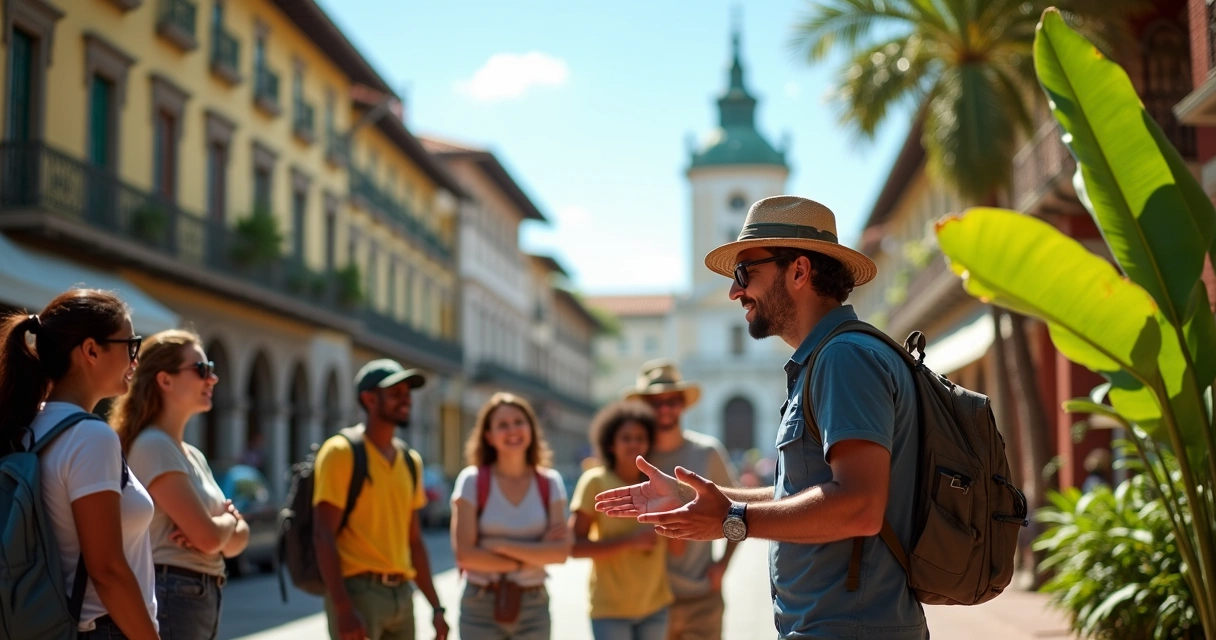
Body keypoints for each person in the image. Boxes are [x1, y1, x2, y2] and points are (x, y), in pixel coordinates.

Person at [596, 196, 927, 639]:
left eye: (745, 273)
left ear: (799, 271)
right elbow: (805, 494)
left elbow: (860, 507)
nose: (735, 291)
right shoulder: (827, 359)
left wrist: (732, 520)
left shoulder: (844, 359)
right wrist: (692, 495)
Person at [0, 289, 159, 639]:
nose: (136, 358)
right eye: (131, 344)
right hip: (102, 629)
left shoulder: (28, 427)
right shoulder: (90, 437)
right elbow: (107, 571)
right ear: (90, 350)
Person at [113, 329, 248, 639]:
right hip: (175, 593)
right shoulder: (153, 445)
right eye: (202, 369)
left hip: (195, 593)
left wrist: (218, 530)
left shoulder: (192, 454)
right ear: (165, 380)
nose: (212, 379)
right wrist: (229, 521)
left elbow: (237, 541)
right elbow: (212, 539)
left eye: (212, 369)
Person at [312, 359, 448, 640]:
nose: (406, 400)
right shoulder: (340, 452)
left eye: (408, 393)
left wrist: (436, 607)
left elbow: (414, 541)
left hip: (402, 595)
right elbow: (322, 534)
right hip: (359, 593)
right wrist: (342, 607)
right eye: (395, 393)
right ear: (369, 399)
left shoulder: (411, 461)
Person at [622, 360, 739, 640]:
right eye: (655, 402)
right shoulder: (633, 459)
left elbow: (736, 511)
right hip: (648, 602)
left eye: (671, 400)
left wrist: (723, 565)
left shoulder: (707, 452)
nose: (664, 408)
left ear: (683, 404)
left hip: (701, 596)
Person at [451, 392, 571, 640]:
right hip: (480, 604)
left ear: (531, 428)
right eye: (502, 425)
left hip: (534, 603)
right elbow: (465, 555)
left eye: (519, 422)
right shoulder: (472, 481)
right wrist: (535, 552)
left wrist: (498, 545)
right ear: (489, 436)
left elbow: (560, 553)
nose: (512, 430)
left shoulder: (550, 482)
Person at [570, 400, 682, 640]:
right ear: (610, 443)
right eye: (626, 438)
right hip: (609, 609)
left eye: (640, 437)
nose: (634, 444)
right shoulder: (594, 482)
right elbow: (574, 547)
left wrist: (673, 521)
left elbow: (678, 549)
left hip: (656, 605)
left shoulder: (661, 485)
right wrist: (630, 542)